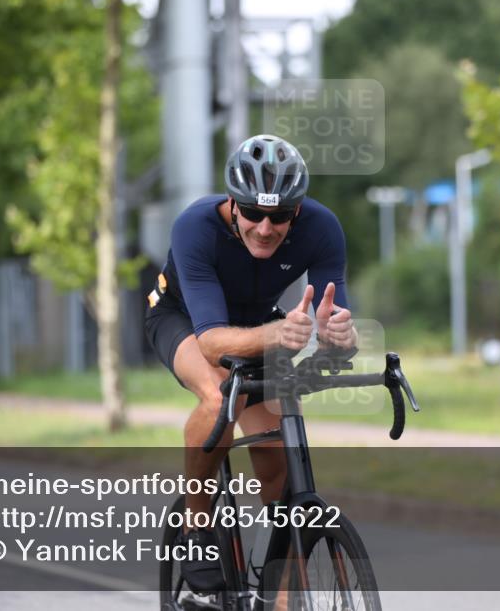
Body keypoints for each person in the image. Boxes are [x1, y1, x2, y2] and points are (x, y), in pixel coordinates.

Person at [144, 134, 357, 592]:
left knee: (276, 450)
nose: (265, 228)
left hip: (258, 324)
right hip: (184, 320)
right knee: (221, 390)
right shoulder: (195, 227)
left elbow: (334, 314)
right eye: (254, 213)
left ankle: (279, 590)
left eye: (279, 216)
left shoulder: (322, 228)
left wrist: (340, 335)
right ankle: (197, 526)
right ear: (232, 204)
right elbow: (213, 342)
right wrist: (279, 334)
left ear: (296, 211)